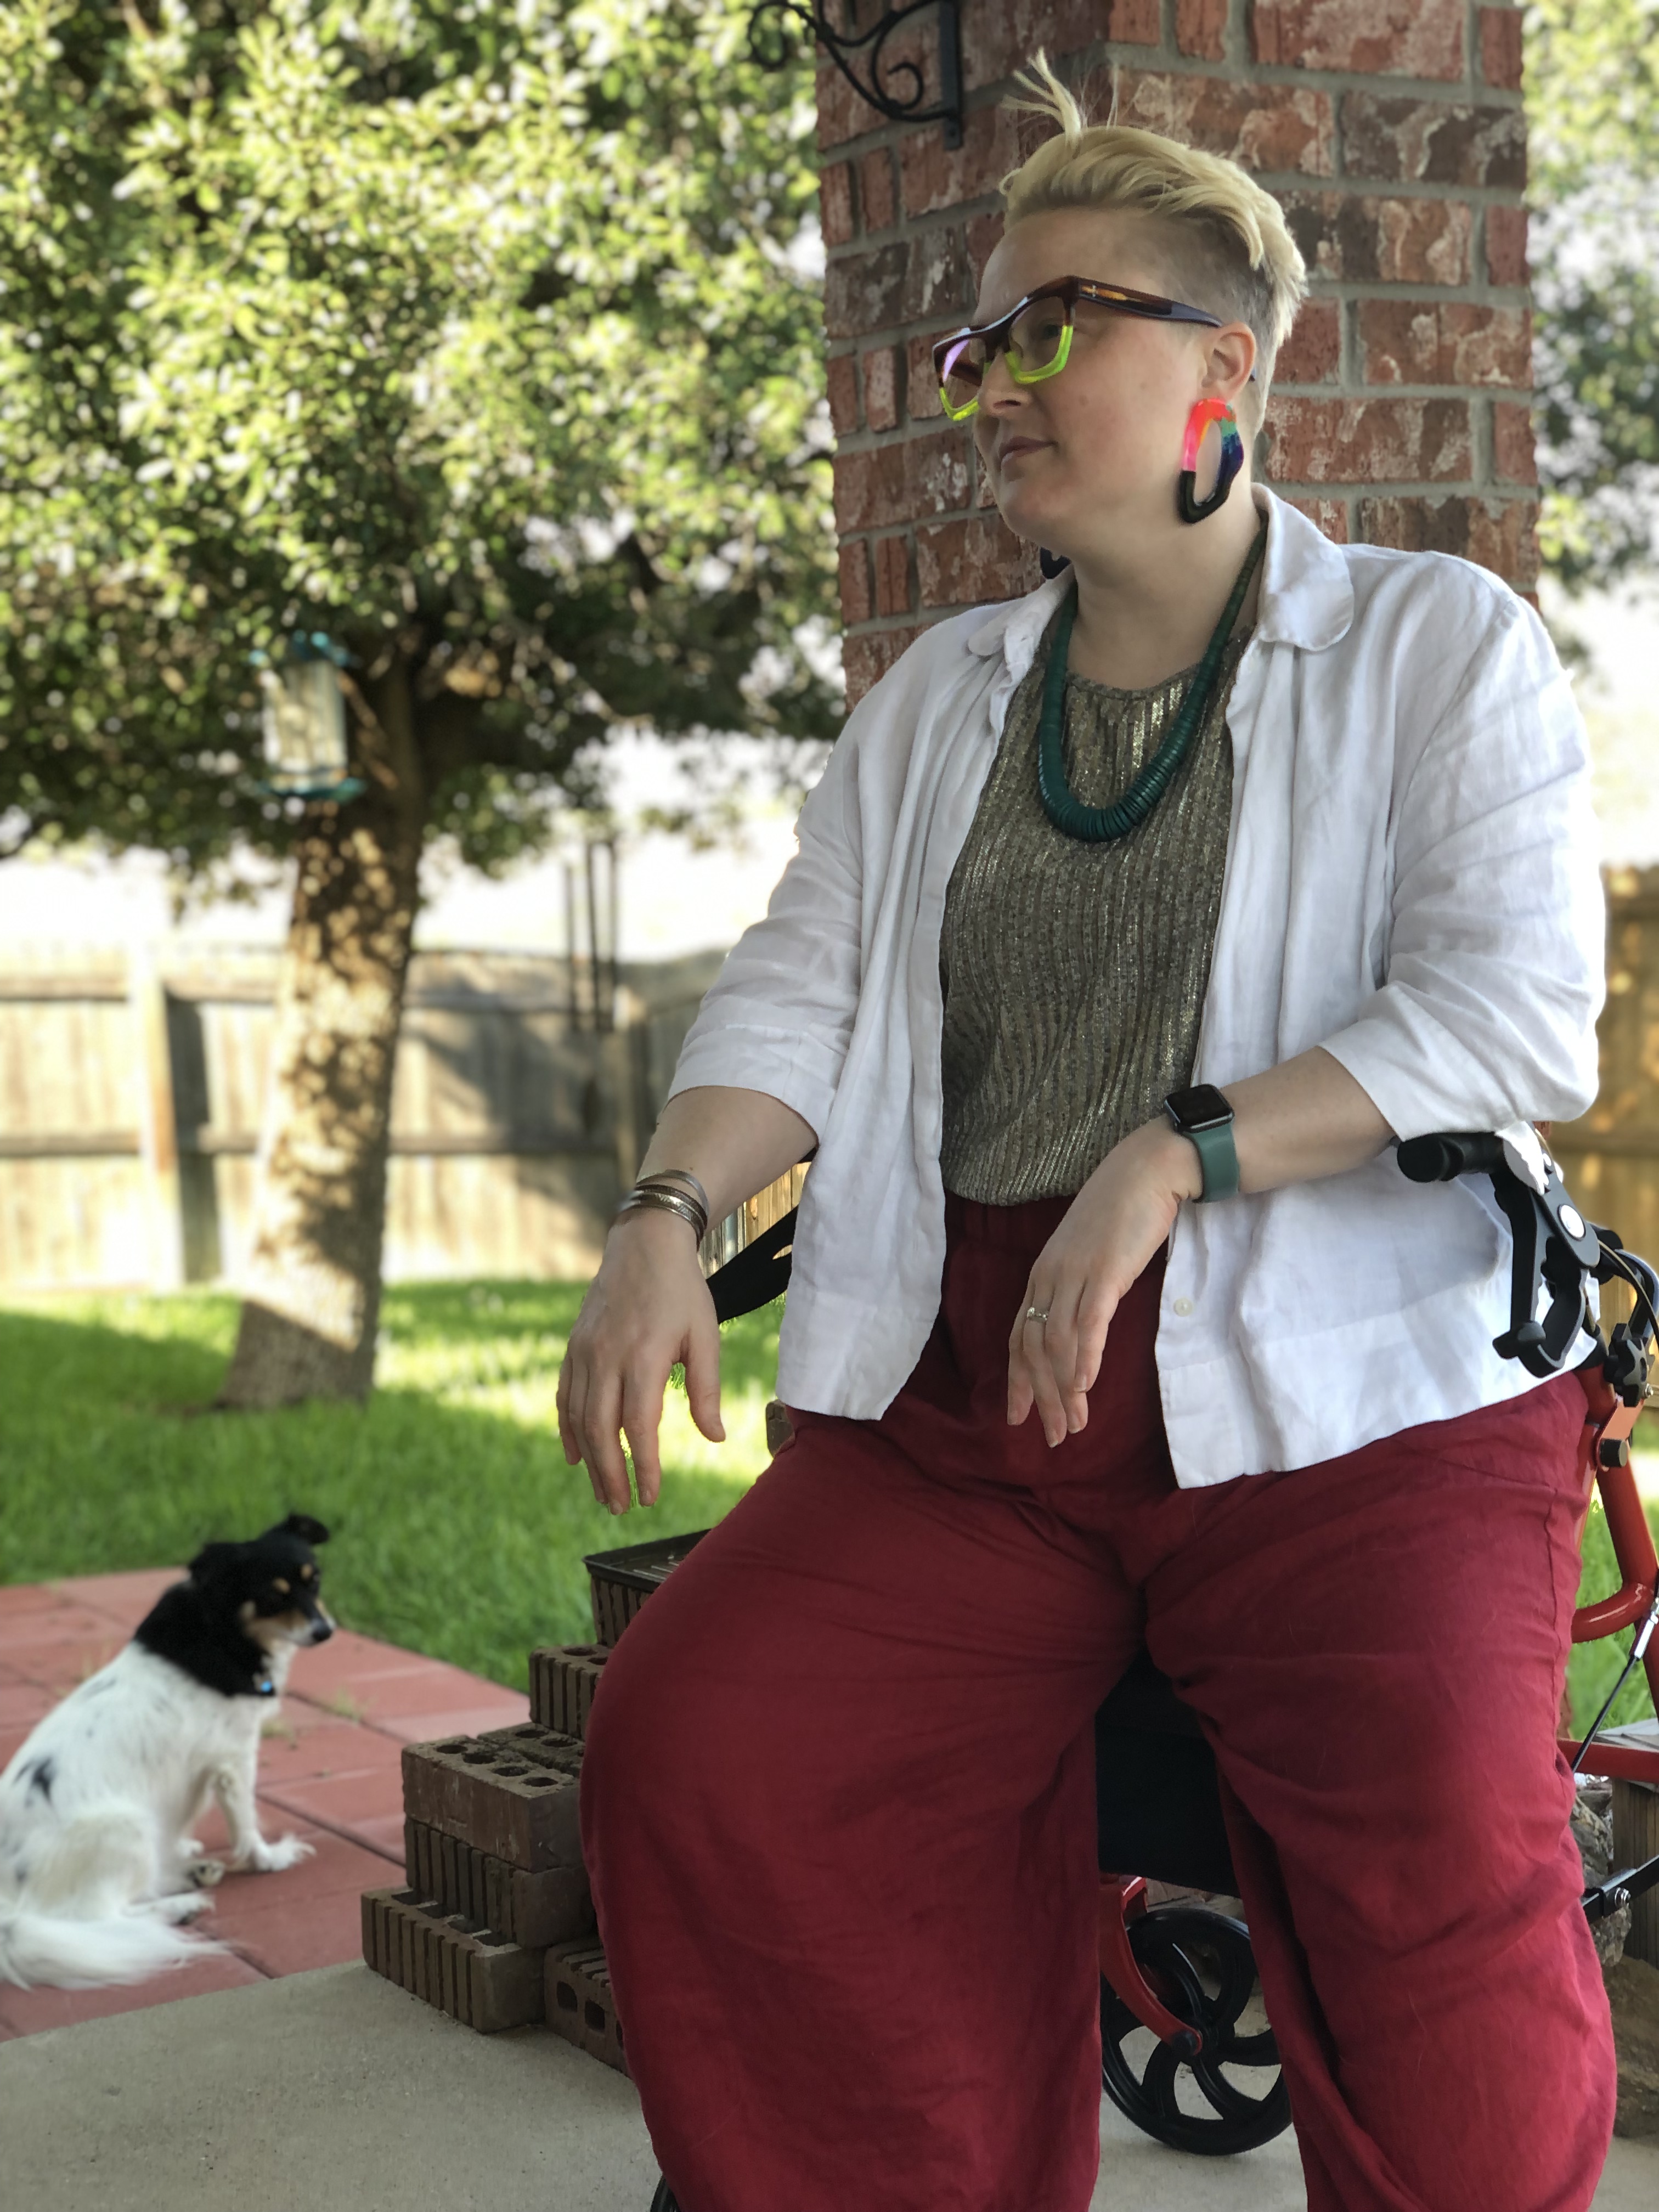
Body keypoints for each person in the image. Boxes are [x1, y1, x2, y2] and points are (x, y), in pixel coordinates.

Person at [557, 52, 1611, 2212]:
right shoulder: (939, 699)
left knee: (1441, 1877)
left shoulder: (1435, 646)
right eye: (977, 346)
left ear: (1227, 366)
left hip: (1360, 1396)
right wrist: (670, 1208)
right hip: (981, 1410)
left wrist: (1171, 1154)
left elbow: (1513, 1008)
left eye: (1053, 326)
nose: (992, 383)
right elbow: (800, 988)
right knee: (711, 1745)